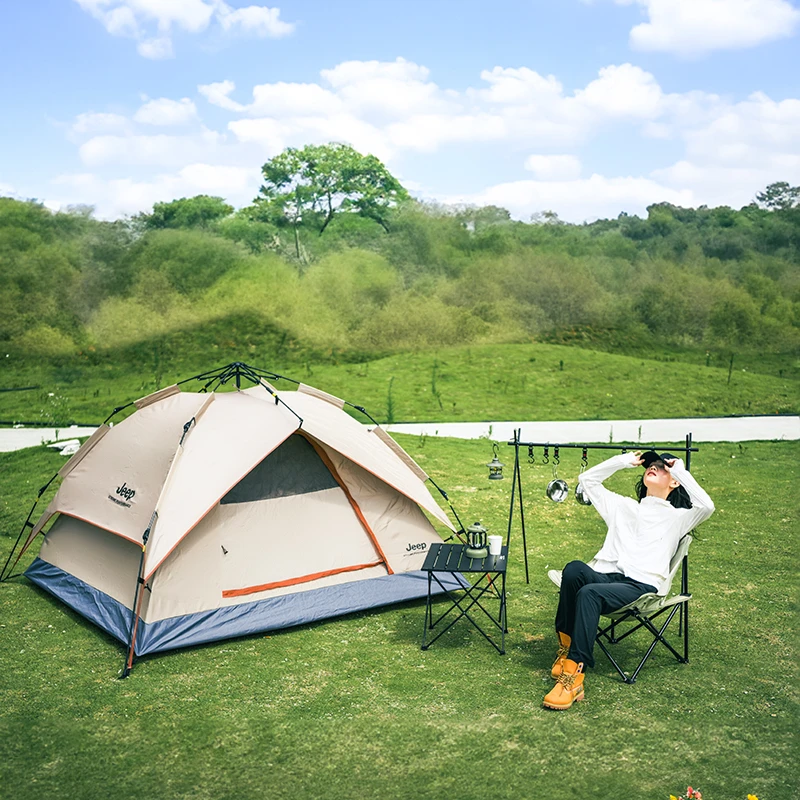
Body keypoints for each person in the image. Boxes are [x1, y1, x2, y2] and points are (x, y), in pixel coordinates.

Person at [543, 449, 715, 710]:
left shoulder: (678, 518)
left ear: (674, 481)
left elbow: (707, 506)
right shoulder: (623, 507)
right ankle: (566, 650)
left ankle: (573, 677)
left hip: (640, 587)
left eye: (662, 467)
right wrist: (623, 461)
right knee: (575, 570)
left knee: (589, 593)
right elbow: (587, 481)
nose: (654, 467)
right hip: (610, 577)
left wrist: (677, 468)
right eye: (650, 465)